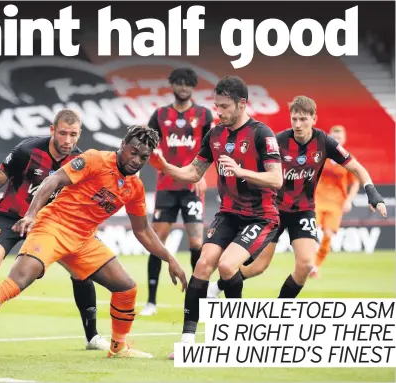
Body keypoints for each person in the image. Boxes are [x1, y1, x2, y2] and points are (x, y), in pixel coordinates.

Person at [0, 125, 188, 362]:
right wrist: (31, 214)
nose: (136, 160)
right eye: (133, 152)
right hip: (53, 226)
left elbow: (142, 230)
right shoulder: (95, 159)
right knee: (20, 279)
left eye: (143, 158)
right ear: (123, 145)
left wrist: (171, 258)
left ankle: (118, 346)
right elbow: (53, 181)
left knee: (126, 288)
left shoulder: (134, 187)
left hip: (83, 239)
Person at [0, 109, 110, 350]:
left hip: (49, 225)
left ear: (79, 134)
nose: (68, 140)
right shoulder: (27, 151)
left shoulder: (80, 160)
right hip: (10, 218)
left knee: (81, 272)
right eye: (62, 133)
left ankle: (91, 337)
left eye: (73, 134)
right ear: (52, 130)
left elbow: (83, 201)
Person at [149, 76, 284, 360]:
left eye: (223, 106)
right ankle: (187, 339)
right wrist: (164, 166)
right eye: (216, 105)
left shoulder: (262, 134)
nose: (218, 111)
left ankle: (235, 336)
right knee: (202, 264)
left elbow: (276, 179)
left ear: (242, 103)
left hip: (260, 217)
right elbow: (192, 173)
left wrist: (241, 171)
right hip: (229, 214)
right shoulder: (214, 135)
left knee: (225, 265)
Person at [207, 97, 387, 298]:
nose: (298, 124)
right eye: (294, 119)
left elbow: (356, 167)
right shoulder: (277, 141)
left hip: (303, 210)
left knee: (306, 265)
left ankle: (280, 314)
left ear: (314, 119)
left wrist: (372, 193)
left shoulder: (324, 141)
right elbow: (255, 170)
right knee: (258, 267)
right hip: (273, 211)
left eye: (303, 119)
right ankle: (219, 286)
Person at [140, 67, 213, 317]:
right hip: (166, 188)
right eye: (179, 83)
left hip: (192, 187)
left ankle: (197, 300)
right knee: (156, 243)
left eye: (188, 84)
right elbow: (146, 145)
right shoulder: (160, 115)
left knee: (196, 243)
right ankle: (151, 301)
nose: (183, 88)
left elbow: (212, 148)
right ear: (172, 85)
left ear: (193, 87)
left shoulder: (204, 115)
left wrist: (202, 175)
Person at [311, 125, 361, 278]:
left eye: (340, 138)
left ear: (344, 140)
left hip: (336, 204)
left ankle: (316, 266)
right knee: (310, 232)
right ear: (329, 138)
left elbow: (356, 181)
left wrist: (349, 201)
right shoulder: (321, 156)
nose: (337, 140)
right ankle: (308, 264)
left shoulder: (349, 159)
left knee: (327, 236)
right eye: (334, 138)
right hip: (317, 200)